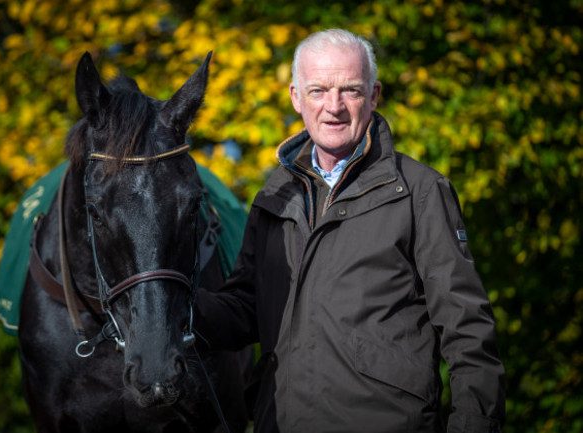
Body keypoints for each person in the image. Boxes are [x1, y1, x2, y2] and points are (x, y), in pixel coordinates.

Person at [195, 28, 505, 433]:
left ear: (374, 96)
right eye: (319, 90)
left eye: (351, 91)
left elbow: (468, 330)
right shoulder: (275, 196)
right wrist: (175, 307)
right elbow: (244, 309)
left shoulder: (419, 192)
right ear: (295, 98)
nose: (334, 107)